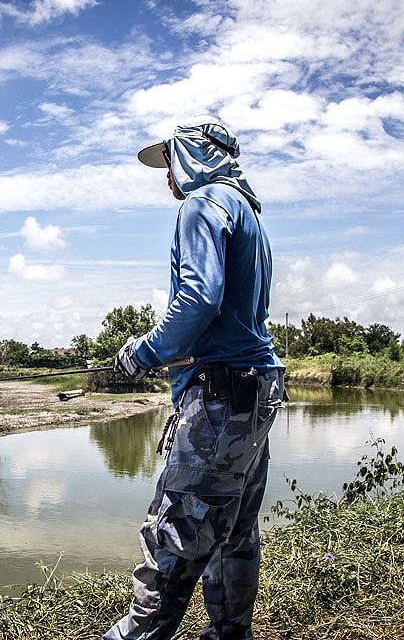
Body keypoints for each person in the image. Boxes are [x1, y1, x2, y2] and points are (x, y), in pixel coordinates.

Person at [104, 114, 286, 640]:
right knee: (233, 533)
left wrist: (144, 351)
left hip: (219, 397)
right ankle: (231, 633)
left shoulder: (203, 204)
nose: (168, 175)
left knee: (176, 536)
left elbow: (198, 299)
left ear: (196, 154)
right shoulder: (248, 211)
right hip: (257, 388)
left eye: (171, 160)